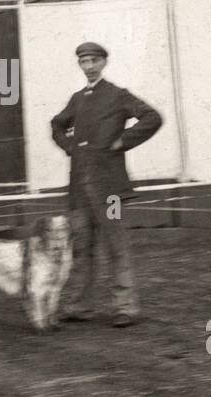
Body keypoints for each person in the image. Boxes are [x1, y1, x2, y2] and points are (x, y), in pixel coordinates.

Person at [50, 42, 161, 327]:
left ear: (103, 62)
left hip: (109, 190)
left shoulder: (117, 95)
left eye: (93, 61)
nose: (88, 67)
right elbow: (57, 124)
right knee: (81, 248)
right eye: (83, 62)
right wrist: (69, 147)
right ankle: (80, 305)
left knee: (116, 245)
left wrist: (123, 141)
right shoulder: (77, 99)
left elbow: (152, 117)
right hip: (80, 190)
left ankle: (124, 307)